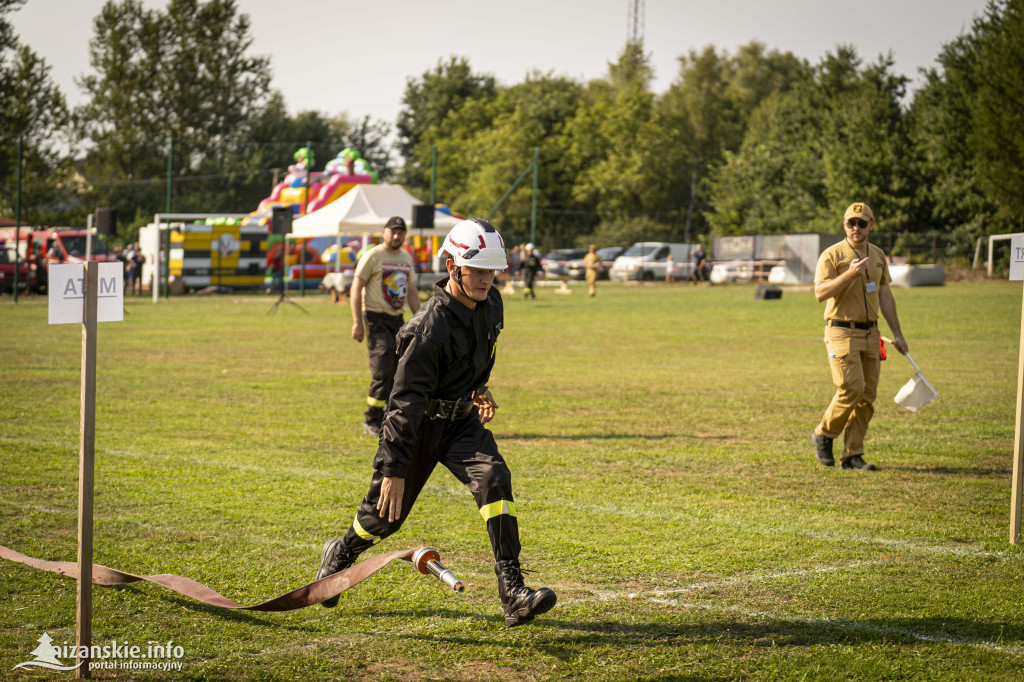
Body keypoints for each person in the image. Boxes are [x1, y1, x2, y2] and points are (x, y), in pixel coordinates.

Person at [316, 217, 557, 627]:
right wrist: (393, 470)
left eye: (491, 270)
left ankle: (512, 591)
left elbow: (479, 353)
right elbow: (402, 403)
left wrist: (480, 386)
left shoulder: (493, 302)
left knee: (494, 479)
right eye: (477, 270)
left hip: (462, 422)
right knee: (384, 519)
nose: (486, 279)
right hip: (419, 427)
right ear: (452, 267)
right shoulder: (425, 329)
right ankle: (340, 553)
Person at [812, 202, 908, 471]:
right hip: (841, 331)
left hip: (871, 332)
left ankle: (853, 455)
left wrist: (898, 334)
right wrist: (850, 274)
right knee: (851, 388)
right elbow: (820, 293)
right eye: (851, 223)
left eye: (862, 223)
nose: (856, 227)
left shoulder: (878, 255)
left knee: (867, 397)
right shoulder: (832, 255)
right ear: (844, 225)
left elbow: (885, 294)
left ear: (871, 225)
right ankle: (824, 433)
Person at [351, 216, 420, 436]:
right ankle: (371, 418)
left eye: (401, 232)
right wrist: (357, 322)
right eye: (393, 232)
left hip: (396, 320)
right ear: (384, 232)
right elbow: (356, 287)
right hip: (375, 318)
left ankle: (388, 418)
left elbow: (411, 291)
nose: (397, 236)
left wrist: (421, 319)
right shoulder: (372, 256)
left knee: (398, 369)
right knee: (383, 369)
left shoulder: (406, 258)